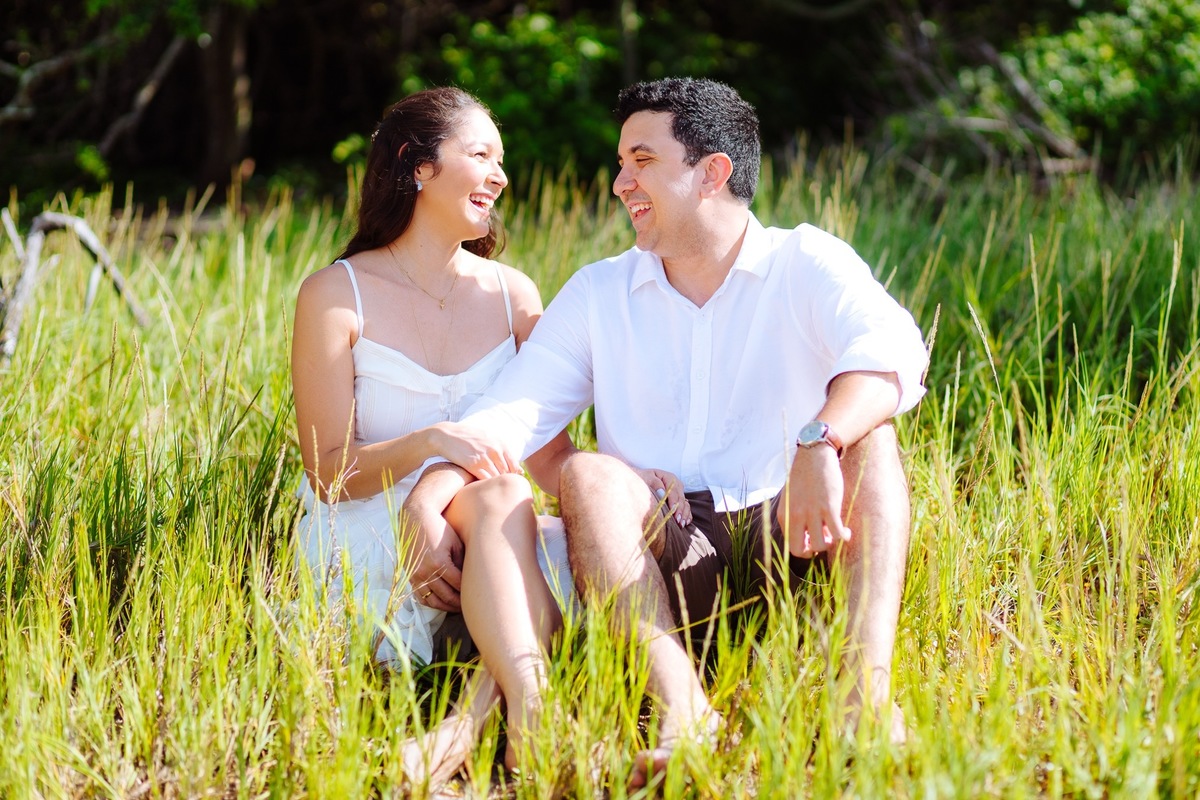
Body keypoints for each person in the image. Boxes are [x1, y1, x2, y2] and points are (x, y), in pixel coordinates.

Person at [408, 76, 929, 787]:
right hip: (659, 570)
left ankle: (862, 694)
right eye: (621, 163)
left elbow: (895, 352)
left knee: (872, 436)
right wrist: (425, 496)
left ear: (712, 172)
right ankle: (684, 711)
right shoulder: (599, 292)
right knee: (589, 474)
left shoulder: (804, 261)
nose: (621, 183)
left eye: (642, 161)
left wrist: (820, 440)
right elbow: (509, 415)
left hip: (797, 539)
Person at [290, 87, 576, 786]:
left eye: (501, 160)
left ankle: (473, 724)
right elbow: (329, 473)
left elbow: (544, 453)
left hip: (494, 522)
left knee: (523, 506)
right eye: (481, 155)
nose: (500, 175)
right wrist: (429, 443)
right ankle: (505, 716)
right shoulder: (335, 293)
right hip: (370, 522)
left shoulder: (514, 294)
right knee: (501, 497)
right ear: (418, 167)